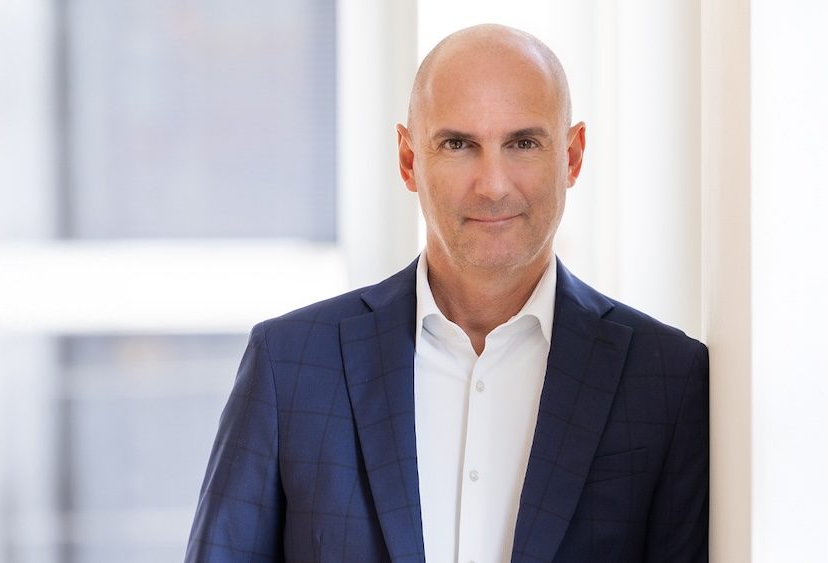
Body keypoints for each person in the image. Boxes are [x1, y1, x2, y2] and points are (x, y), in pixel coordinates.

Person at [185, 23, 708, 563]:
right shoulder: (290, 365)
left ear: (572, 157)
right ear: (409, 159)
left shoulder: (667, 380)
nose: (493, 184)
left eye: (523, 144)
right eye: (458, 145)